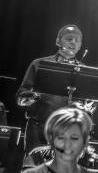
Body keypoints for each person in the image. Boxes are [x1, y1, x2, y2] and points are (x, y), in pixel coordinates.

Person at [16, 24, 86, 154]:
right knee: (34, 166)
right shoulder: (39, 64)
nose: (73, 42)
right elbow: (21, 96)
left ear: (80, 46)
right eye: (69, 39)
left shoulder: (85, 71)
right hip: (38, 128)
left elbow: (88, 103)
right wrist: (33, 97)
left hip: (68, 132)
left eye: (77, 40)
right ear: (58, 41)